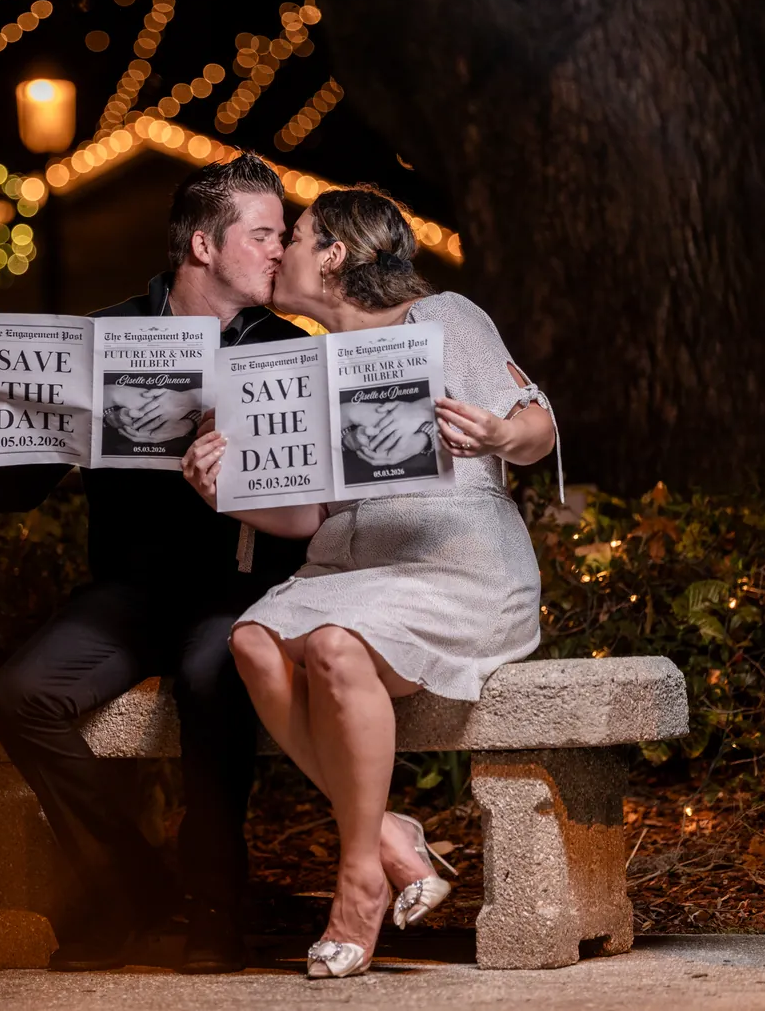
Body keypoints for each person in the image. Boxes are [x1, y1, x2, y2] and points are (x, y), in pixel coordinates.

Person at [0, 153, 310, 973]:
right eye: (265, 234)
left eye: (282, 235)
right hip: (129, 595)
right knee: (23, 698)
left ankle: (216, 909)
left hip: (239, 595)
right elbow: (14, 489)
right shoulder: (99, 336)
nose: (280, 250)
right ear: (205, 246)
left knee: (215, 679)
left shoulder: (290, 348)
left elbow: (313, 508)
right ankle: (132, 890)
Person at [181, 185, 561, 978]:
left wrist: (496, 431)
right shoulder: (299, 360)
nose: (278, 251)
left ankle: (357, 884)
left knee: (331, 646)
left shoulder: (445, 318)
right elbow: (307, 514)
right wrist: (228, 493)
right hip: (350, 563)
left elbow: (539, 429)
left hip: (455, 558)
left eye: (298, 237)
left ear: (336, 254)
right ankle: (391, 835)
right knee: (250, 639)